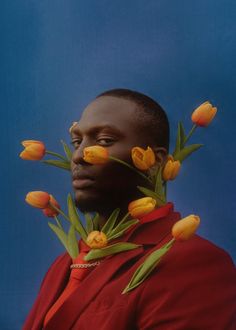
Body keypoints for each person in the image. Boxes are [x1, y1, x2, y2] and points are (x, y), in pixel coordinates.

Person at [23, 89, 236, 330]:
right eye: (76, 141)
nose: (80, 155)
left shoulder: (196, 264)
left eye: (104, 141)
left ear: (155, 162)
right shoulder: (64, 265)